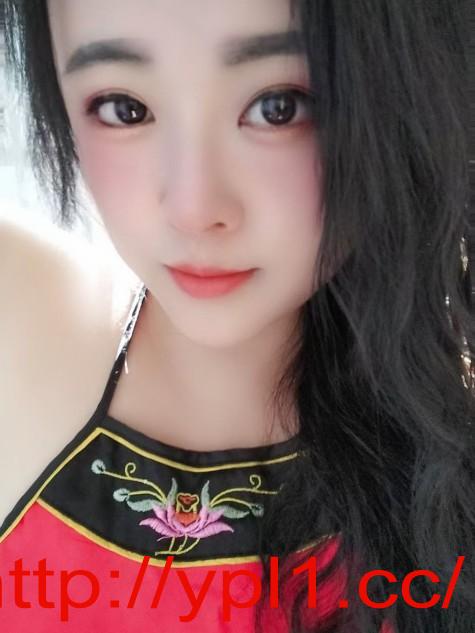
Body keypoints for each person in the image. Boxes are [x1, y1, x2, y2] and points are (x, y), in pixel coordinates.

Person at [0, 1, 473, 632]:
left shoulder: (451, 451)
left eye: (280, 107)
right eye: (123, 108)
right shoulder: (17, 319)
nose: (194, 209)